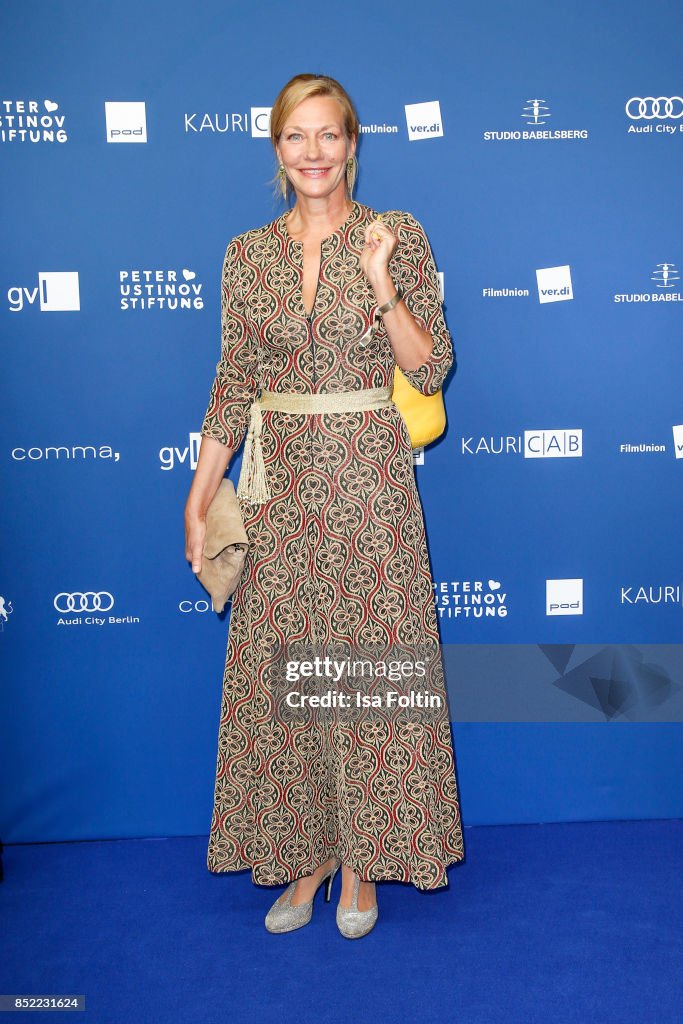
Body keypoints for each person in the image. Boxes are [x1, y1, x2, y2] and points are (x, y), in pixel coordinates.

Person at [184, 72, 464, 939]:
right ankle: (304, 853)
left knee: (367, 675)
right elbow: (233, 384)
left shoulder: (397, 236)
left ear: (352, 144)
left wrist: (382, 283)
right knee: (290, 676)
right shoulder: (244, 254)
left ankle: (363, 864)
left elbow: (428, 369)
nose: (314, 152)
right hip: (279, 490)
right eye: (296, 137)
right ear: (277, 149)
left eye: (329, 135)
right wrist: (199, 497)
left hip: (368, 486)